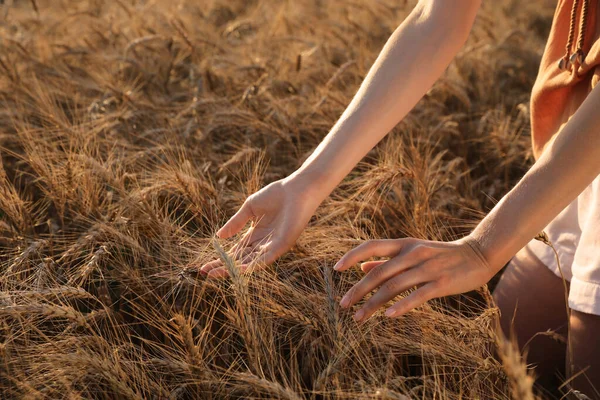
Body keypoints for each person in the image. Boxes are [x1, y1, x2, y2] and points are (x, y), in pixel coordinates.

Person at [201, 0, 600, 394]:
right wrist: (307, 183)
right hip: (574, 145)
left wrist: (482, 250)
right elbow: (436, 19)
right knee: (498, 366)